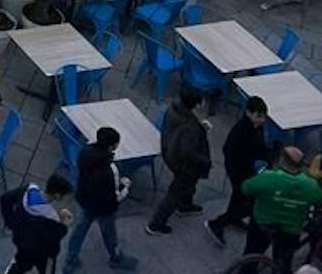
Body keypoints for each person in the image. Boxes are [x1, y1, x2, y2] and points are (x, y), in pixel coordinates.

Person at [65, 126, 139, 272]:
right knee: (109, 233)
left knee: (79, 230)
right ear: (112, 146)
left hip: (84, 198)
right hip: (104, 208)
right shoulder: (109, 170)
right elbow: (113, 196)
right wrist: (125, 187)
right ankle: (115, 258)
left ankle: (71, 258)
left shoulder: (85, 152)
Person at [242, 146, 322, 270]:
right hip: (290, 230)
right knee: (283, 262)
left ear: (282, 160)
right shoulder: (311, 186)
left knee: (251, 254)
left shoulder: (269, 177)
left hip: (262, 223)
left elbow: (246, 188)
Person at [146, 88, 211, 235]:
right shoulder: (190, 128)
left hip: (171, 152)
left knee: (189, 184)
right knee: (176, 191)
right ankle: (157, 223)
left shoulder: (174, 110)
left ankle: (185, 205)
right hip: (185, 164)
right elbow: (187, 152)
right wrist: (204, 161)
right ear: (197, 105)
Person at [207, 96, 270, 246]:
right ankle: (218, 223)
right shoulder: (241, 131)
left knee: (238, 199)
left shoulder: (257, 128)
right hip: (239, 172)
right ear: (249, 113)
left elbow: (260, 149)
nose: (262, 120)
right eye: (258, 116)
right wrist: (238, 173)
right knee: (247, 204)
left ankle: (232, 219)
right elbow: (230, 152)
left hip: (250, 171)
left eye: (263, 116)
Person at [4, 175, 75, 274]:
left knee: (20, 264)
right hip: (40, 253)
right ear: (57, 195)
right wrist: (63, 225)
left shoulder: (27, 191)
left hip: (21, 240)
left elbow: (5, 198)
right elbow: (52, 242)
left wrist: (11, 223)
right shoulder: (50, 218)